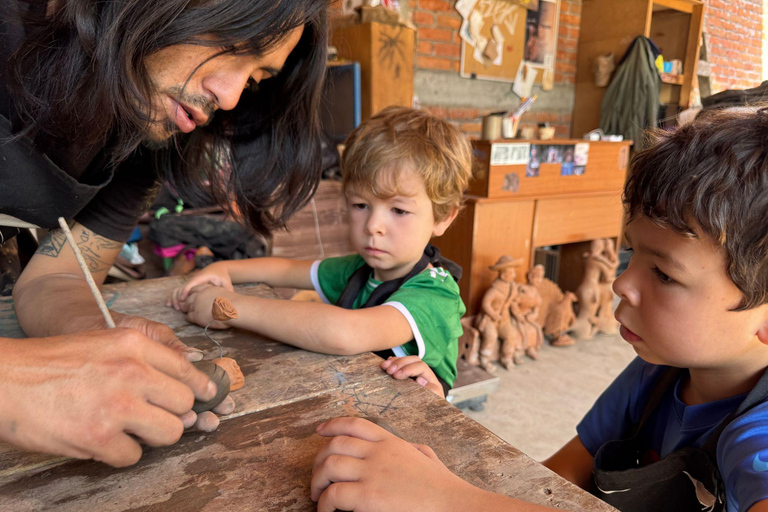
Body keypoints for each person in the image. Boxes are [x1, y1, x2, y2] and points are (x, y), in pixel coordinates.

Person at [309, 107, 768, 512]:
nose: (621, 283)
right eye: (633, 256)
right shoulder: (656, 376)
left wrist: (448, 499)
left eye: (665, 274)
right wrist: (435, 470)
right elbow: (555, 481)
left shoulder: (758, 440)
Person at [0, 0, 328, 467]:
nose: (232, 96)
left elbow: (58, 278)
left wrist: (97, 339)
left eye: (255, 79)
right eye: (232, 42)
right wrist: (15, 380)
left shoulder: (140, 119)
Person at [169, 106, 472, 398]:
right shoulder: (359, 270)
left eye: (399, 210)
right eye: (361, 205)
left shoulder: (435, 294)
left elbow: (345, 333)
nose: (373, 226)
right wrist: (224, 270)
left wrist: (232, 308)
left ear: (444, 217)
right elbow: (287, 270)